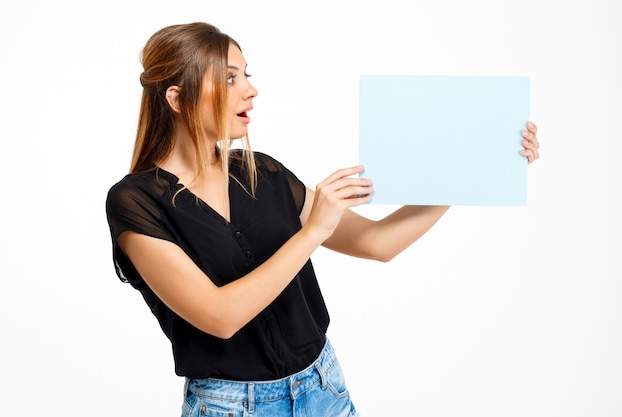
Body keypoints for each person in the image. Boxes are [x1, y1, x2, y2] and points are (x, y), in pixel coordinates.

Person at [105, 22, 540, 417]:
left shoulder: (264, 173)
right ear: (176, 98)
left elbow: (377, 242)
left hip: (323, 387)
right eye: (230, 78)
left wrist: (478, 168)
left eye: (246, 74)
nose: (250, 90)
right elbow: (220, 316)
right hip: (231, 408)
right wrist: (314, 231)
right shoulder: (136, 202)